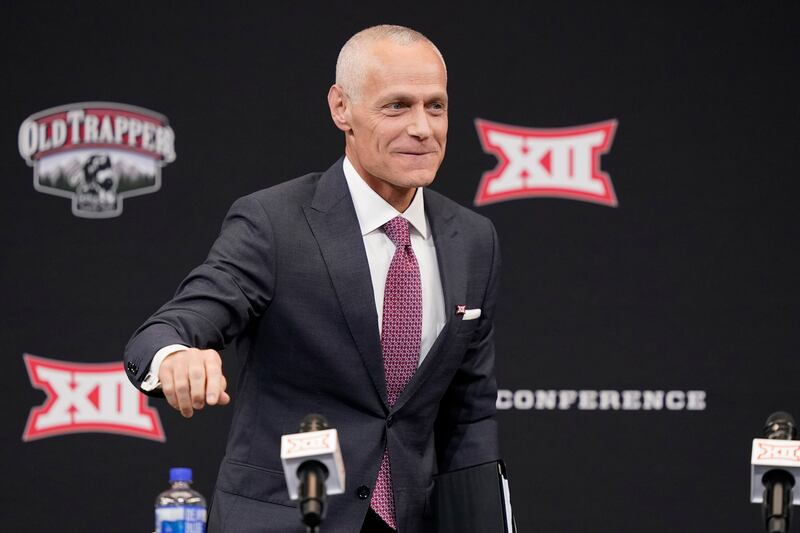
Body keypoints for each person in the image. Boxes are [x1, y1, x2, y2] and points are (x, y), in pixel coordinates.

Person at [124, 24, 501, 533]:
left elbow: (469, 417)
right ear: (341, 108)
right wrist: (174, 356)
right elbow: (173, 324)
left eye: (436, 106)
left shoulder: (473, 239)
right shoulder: (273, 223)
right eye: (397, 106)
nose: (423, 128)